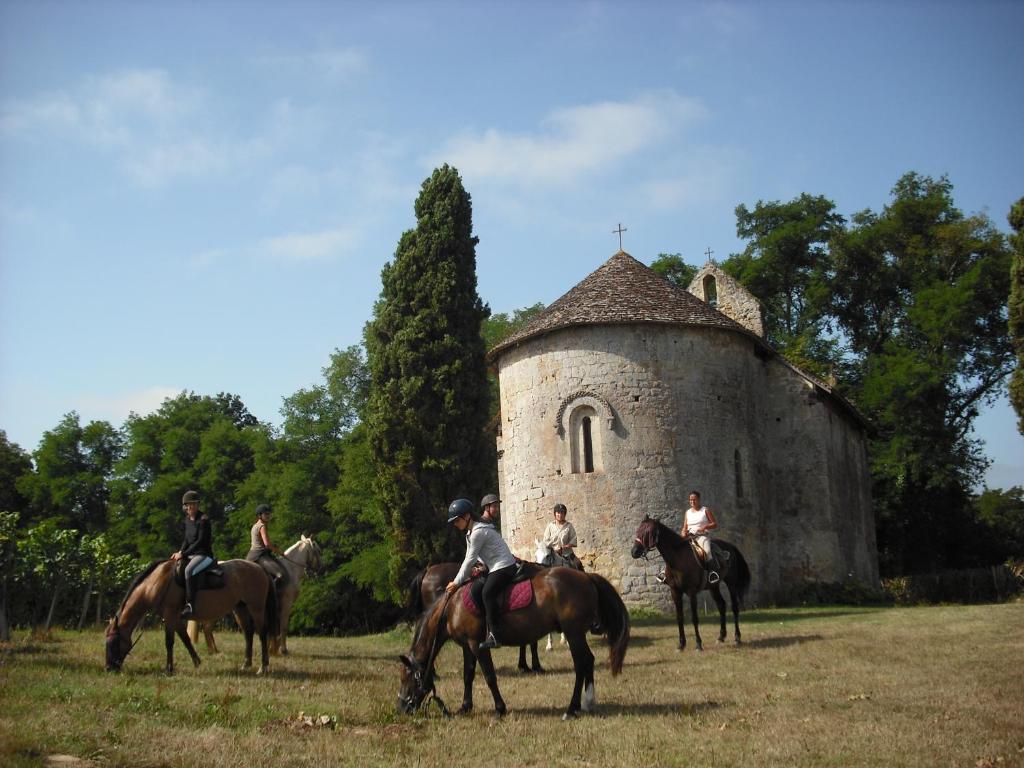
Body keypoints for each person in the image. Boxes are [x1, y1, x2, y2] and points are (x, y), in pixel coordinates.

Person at [445, 494, 517, 650]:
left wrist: (457, 582)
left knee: (487, 593)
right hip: (494, 566)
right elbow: (475, 557)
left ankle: (496, 636)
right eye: (454, 522)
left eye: (457, 520)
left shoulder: (478, 532)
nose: (456, 524)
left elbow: (469, 560)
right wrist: (476, 569)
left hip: (504, 566)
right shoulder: (471, 533)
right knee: (476, 588)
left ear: (467, 516)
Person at [170, 490, 214, 618]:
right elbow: (186, 540)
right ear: (185, 506)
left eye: (194, 504)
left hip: (203, 554)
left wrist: (183, 554)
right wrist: (180, 552)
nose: (191, 507)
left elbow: (200, 542)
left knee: (188, 570)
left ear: (198, 505)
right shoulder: (187, 520)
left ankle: (190, 605)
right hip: (191, 554)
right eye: (189, 505)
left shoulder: (203, 520)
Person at [245, 503, 289, 591]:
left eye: (269, 514)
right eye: (266, 514)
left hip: (252, 555)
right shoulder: (262, 526)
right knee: (280, 575)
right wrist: (279, 552)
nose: (268, 516)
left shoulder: (255, 525)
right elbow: (267, 544)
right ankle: (273, 596)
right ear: (260, 515)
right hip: (259, 556)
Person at [682, 490, 720, 584]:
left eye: (694, 499)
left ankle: (712, 573)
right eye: (690, 500)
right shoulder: (687, 512)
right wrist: (683, 532)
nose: (692, 502)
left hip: (702, 536)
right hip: (689, 536)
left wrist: (705, 526)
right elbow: (685, 526)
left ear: (699, 500)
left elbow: (714, 524)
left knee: (707, 551)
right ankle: (666, 572)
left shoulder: (705, 510)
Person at [542, 503, 582, 569]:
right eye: (558, 512)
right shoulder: (550, 526)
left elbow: (573, 539)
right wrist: (554, 549)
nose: (560, 515)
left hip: (567, 554)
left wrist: (565, 546)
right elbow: (545, 541)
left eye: (562, 513)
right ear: (555, 513)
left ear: (565, 514)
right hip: (553, 554)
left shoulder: (569, 526)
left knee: (577, 563)